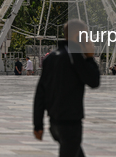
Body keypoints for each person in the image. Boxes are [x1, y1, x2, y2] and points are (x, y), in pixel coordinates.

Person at [33, 19, 100, 157]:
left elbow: (40, 92)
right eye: (85, 35)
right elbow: (93, 81)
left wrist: (38, 124)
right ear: (78, 36)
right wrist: (89, 58)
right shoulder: (74, 57)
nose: (87, 39)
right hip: (70, 123)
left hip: (54, 123)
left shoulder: (51, 58)